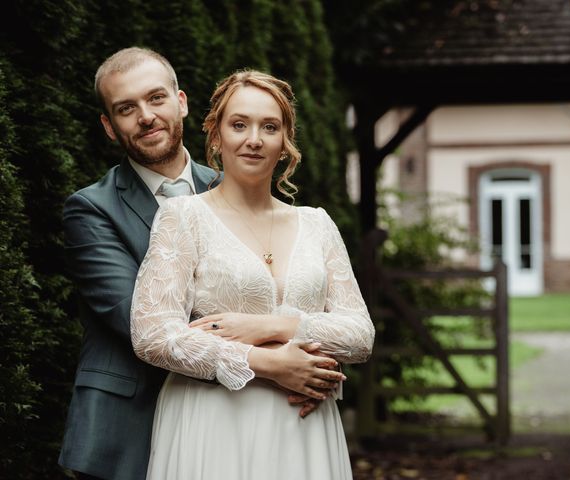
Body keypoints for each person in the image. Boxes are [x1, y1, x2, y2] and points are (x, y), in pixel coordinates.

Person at [129, 70, 375, 479]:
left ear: (285, 143)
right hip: (214, 421)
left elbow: (360, 334)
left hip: (304, 426)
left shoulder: (318, 224)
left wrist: (269, 326)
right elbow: (153, 335)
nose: (254, 138)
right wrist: (264, 362)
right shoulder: (183, 217)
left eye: (270, 127)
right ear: (216, 135)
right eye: (239, 124)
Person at [58, 47, 220, 480]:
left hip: (229, 421)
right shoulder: (91, 210)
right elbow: (142, 322)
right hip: (128, 431)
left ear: (181, 101)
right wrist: (264, 354)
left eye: (156, 98)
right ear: (110, 127)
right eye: (126, 109)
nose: (146, 116)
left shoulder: (231, 190)